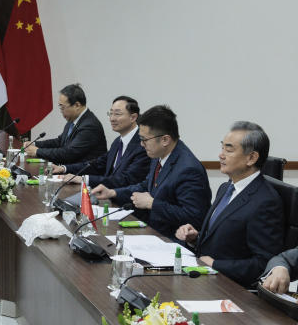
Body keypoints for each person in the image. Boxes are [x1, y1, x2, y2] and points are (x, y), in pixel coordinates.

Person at [175, 122, 283, 286]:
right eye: (222, 148)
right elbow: (227, 241)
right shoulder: (226, 187)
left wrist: (215, 265)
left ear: (252, 158)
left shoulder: (265, 201)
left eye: (229, 150)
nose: (221, 155)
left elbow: (264, 264)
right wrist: (196, 237)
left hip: (229, 288)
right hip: (204, 278)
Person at [91, 105, 211, 238]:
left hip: (173, 241)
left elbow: (194, 216)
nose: (141, 145)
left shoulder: (188, 169)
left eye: (144, 140)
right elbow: (145, 186)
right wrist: (113, 192)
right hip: (152, 232)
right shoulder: (159, 155)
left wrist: (152, 204)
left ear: (165, 139)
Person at [54, 96, 151, 189]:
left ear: (133, 117)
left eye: (117, 114)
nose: (112, 119)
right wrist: (64, 168)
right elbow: (98, 164)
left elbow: (126, 180)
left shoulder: (143, 145)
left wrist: (85, 179)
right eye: (111, 113)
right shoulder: (118, 141)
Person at [25, 83, 106, 165]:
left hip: (81, 175)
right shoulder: (73, 120)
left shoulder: (90, 126)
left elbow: (69, 153)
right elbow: (60, 142)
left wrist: (38, 151)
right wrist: (35, 144)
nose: (61, 111)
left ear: (77, 105)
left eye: (62, 107)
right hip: (68, 171)